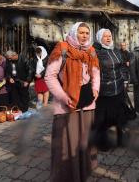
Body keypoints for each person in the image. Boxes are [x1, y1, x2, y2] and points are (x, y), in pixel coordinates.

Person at [45, 22, 100, 182]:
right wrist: (63, 97)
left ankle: (83, 172)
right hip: (67, 103)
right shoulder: (62, 48)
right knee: (67, 145)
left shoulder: (91, 51)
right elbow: (49, 76)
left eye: (86, 33)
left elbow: (96, 73)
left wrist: (95, 89)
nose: (84, 35)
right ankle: (67, 176)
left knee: (84, 141)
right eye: (81, 32)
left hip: (88, 102)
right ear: (74, 33)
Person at [93, 29, 127, 151]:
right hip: (104, 92)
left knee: (119, 116)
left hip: (118, 89)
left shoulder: (116, 51)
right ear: (99, 38)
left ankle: (120, 139)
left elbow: (122, 66)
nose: (108, 38)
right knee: (102, 119)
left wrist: (125, 79)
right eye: (105, 36)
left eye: (109, 36)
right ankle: (102, 143)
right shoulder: (96, 52)